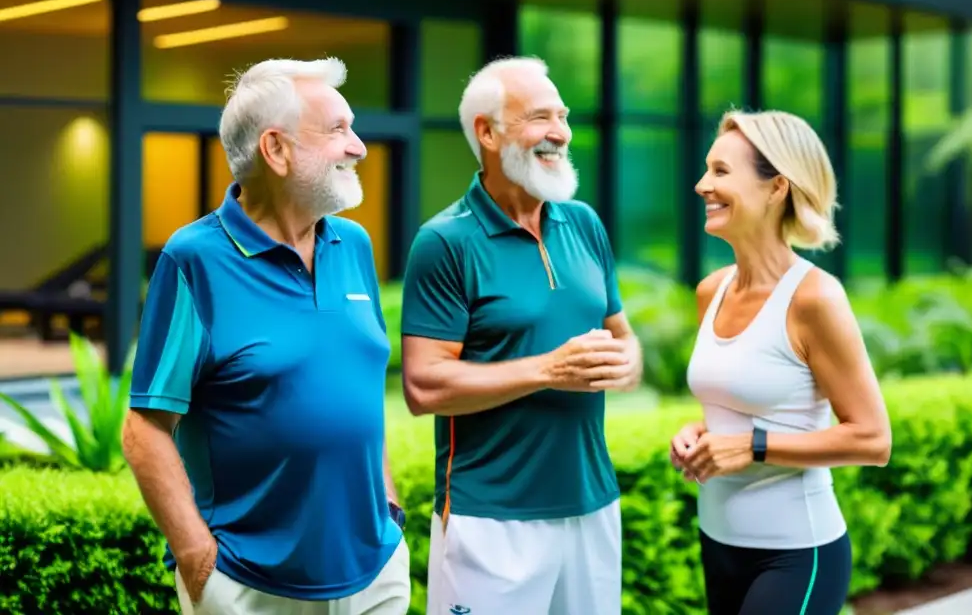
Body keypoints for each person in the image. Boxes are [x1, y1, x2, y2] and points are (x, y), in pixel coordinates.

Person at [122, 57, 410, 615]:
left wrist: (390, 510)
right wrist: (196, 558)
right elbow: (145, 427)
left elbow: (358, 393)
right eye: (337, 130)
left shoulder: (352, 245)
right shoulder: (195, 259)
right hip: (250, 584)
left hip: (373, 572)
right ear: (275, 150)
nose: (359, 147)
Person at [400, 56, 643, 615]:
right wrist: (550, 370)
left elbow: (622, 336)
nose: (560, 132)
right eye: (540, 117)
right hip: (490, 518)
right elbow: (425, 387)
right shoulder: (444, 241)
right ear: (487, 132)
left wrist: (626, 363)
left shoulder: (583, 222)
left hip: (593, 505)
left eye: (562, 116)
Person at [670, 110, 892, 615]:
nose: (703, 184)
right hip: (719, 542)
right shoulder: (712, 291)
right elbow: (743, 408)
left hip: (798, 553)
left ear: (776, 188)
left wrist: (753, 446)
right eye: (707, 169)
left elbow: (873, 439)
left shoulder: (815, 299)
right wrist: (698, 433)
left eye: (722, 171)